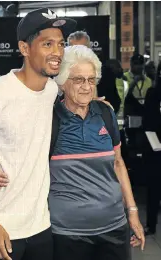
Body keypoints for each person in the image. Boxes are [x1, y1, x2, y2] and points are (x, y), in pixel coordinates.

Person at [0, 8, 76, 260]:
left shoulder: (51, 90)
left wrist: (98, 102)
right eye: (47, 44)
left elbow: (79, 92)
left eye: (60, 44)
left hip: (40, 225)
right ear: (24, 48)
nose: (57, 52)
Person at [49, 45, 145, 260]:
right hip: (67, 233)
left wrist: (133, 212)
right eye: (78, 80)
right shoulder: (49, 119)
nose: (86, 87)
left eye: (91, 80)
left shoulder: (105, 112)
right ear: (63, 82)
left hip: (114, 227)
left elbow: (118, 164)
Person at [143, 61, 161, 236]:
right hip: (156, 148)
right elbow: (148, 123)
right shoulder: (153, 94)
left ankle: (151, 225)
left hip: (156, 149)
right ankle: (151, 224)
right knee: (154, 188)